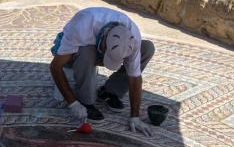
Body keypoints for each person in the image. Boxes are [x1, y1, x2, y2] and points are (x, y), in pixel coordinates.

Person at [49, 7, 156, 136]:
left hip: (98, 47)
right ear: (103, 41)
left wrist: (135, 116)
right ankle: (86, 101)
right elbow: (55, 66)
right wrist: (73, 102)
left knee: (147, 48)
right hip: (76, 49)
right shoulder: (81, 26)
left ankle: (109, 91)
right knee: (86, 51)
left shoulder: (132, 34)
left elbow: (135, 78)